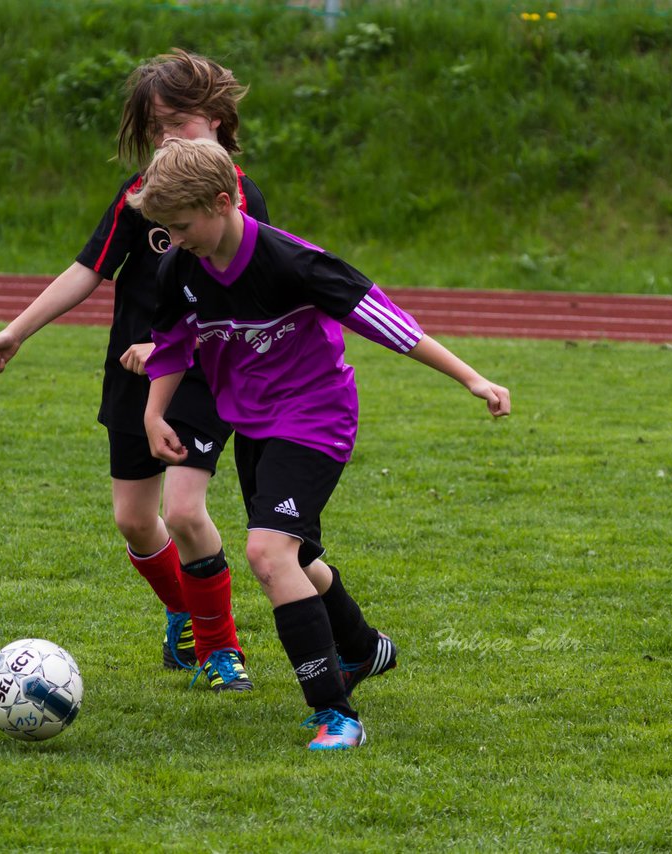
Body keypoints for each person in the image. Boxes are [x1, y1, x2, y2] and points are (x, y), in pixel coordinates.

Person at [131, 137, 511, 750]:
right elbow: (172, 342)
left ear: (224, 202)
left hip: (315, 418)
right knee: (298, 557)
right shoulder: (180, 267)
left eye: (181, 227)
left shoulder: (292, 262)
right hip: (254, 425)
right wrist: (154, 413)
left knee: (268, 555)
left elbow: (384, 320)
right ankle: (362, 648)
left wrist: (471, 377)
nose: (175, 241)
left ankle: (337, 715)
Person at [0, 51, 267, 691]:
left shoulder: (238, 201)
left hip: (202, 378)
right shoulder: (140, 198)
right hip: (132, 378)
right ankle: (186, 611)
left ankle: (221, 649)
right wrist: (16, 332)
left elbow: (246, 298)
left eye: (178, 124)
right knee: (135, 519)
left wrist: (170, 348)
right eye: (156, 129)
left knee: (185, 511)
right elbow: (87, 270)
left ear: (216, 120)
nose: (166, 140)